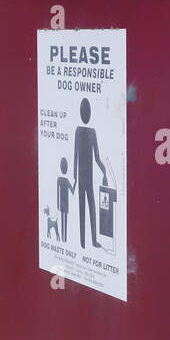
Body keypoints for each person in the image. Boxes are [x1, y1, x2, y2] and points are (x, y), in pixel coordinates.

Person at [73, 99, 106, 249]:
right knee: (88, 208)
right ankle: (85, 242)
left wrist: (74, 175)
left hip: (83, 178)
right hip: (82, 178)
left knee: (87, 208)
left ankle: (87, 241)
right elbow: (78, 155)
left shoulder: (82, 131)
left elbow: (76, 156)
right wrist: (104, 170)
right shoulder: (87, 132)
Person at [56, 157, 75, 241]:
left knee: (62, 221)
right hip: (65, 204)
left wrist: (58, 204)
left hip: (62, 204)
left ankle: (64, 240)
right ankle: (64, 239)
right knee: (65, 222)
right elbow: (73, 191)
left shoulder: (59, 179)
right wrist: (75, 182)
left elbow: (57, 193)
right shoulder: (66, 180)